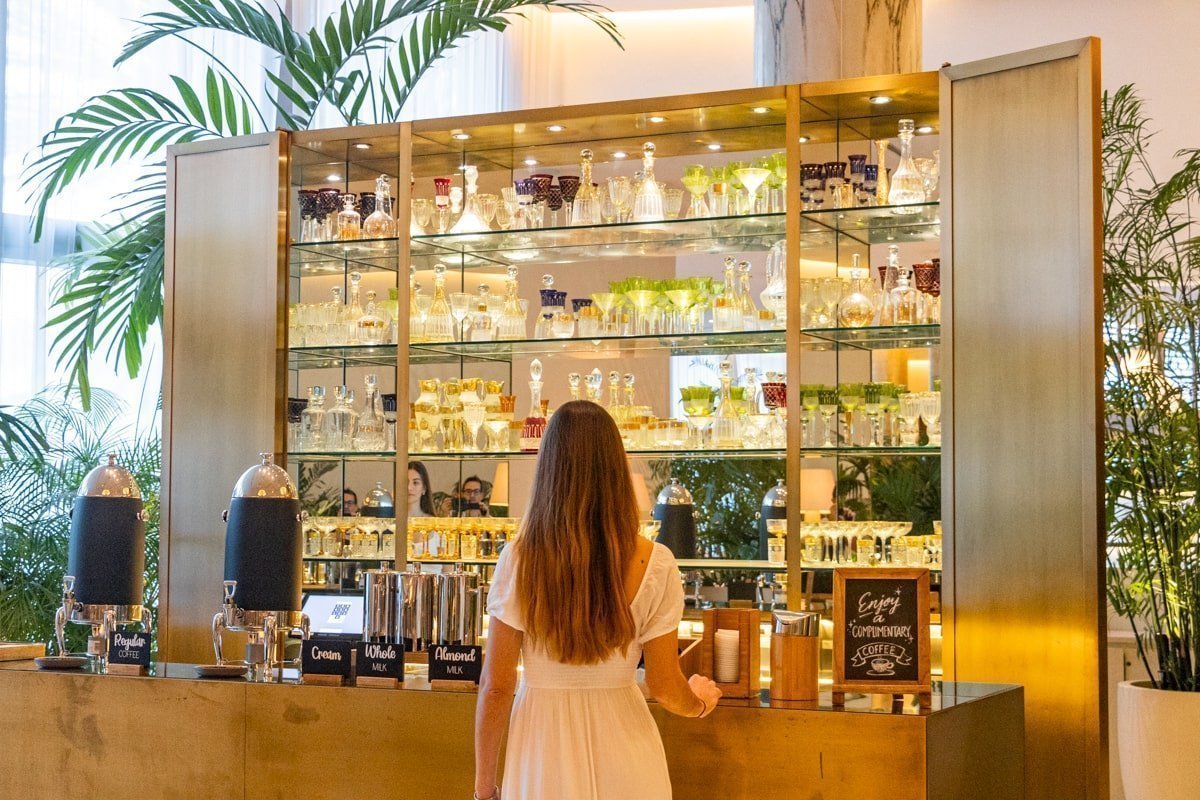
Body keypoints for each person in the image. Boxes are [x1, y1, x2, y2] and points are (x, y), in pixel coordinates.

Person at [474, 401, 721, 800]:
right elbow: (663, 685)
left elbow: (496, 687)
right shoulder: (655, 563)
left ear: (548, 469)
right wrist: (699, 703)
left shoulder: (518, 560)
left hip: (542, 748)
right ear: (616, 469)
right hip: (627, 749)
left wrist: (484, 789)